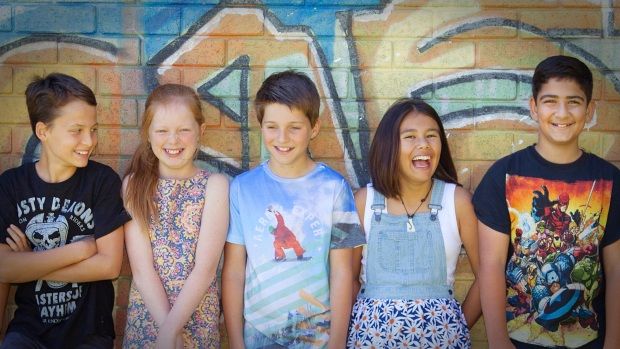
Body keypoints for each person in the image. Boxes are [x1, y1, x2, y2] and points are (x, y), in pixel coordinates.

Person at [473, 55, 620, 348]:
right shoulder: (503, 176)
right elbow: (492, 263)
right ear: (534, 107)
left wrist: (614, 342)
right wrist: (498, 342)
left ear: (589, 110)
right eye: (551, 100)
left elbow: (616, 269)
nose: (562, 112)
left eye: (574, 101)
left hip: (591, 340)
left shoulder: (609, 180)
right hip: (516, 340)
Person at [222, 70, 365, 348]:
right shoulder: (242, 189)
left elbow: (342, 272)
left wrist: (336, 342)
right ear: (260, 126)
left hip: (318, 336)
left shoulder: (336, 188)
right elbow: (234, 271)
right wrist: (236, 342)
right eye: (272, 126)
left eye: (294, 127)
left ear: (314, 127)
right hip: (258, 335)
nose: (282, 137)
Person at [0, 73, 130, 348]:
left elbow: (108, 266)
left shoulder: (102, 182)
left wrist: (29, 264)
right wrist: (80, 251)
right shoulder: (11, 186)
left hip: (90, 334)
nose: (89, 141)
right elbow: (4, 268)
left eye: (93, 129)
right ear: (43, 132)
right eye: (77, 130)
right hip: (28, 334)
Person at [346, 98, 481, 348]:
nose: (424, 145)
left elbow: (487, 275)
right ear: (389, 145)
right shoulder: (363, 202)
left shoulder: (458, 202)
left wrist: (458, 325)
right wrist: (368, 321)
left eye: (432, 135)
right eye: (410, 137)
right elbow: (347, 278)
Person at [121, 84, 228, 349]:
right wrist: (167, 332)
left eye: (183, 130)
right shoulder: (134, 184)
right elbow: (142, 270)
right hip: (148, 321)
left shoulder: (215, 186)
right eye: (162, 131)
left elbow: (205, 270)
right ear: (147, 134)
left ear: (201, 131)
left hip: (198, 321)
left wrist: (172, 331)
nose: (173, 140)